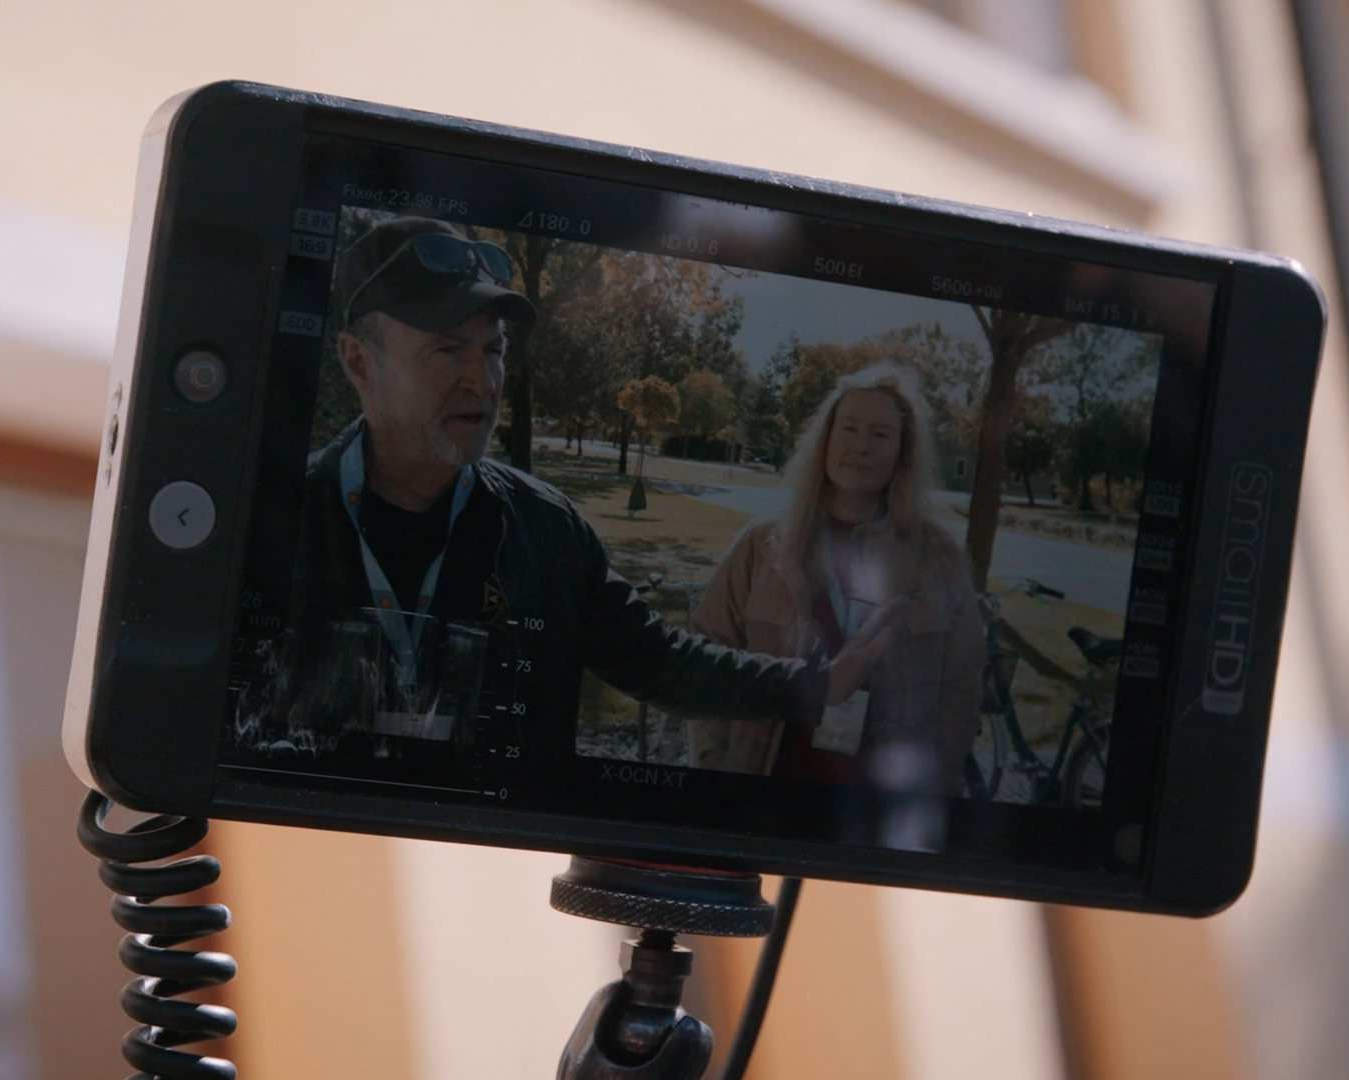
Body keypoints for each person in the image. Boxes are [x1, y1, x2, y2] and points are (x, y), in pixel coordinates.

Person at [267, 217, 902, 770]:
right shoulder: (271, 520)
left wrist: (817, 684)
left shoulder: (546, 531)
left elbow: (660, 661)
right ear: (358, 361)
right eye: (448, 349)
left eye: (494, 351)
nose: (483, 382)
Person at [685, 363, 985, 795]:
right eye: (849, 429)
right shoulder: (762, 544)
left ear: (903, 452)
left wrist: (936, 785)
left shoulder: (938, 555)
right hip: (764, 788)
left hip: (879, 807)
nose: (861, 446)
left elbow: (963, 686)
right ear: (825, 440)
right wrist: (714, 768)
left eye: (880, 434)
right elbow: (707, 655)